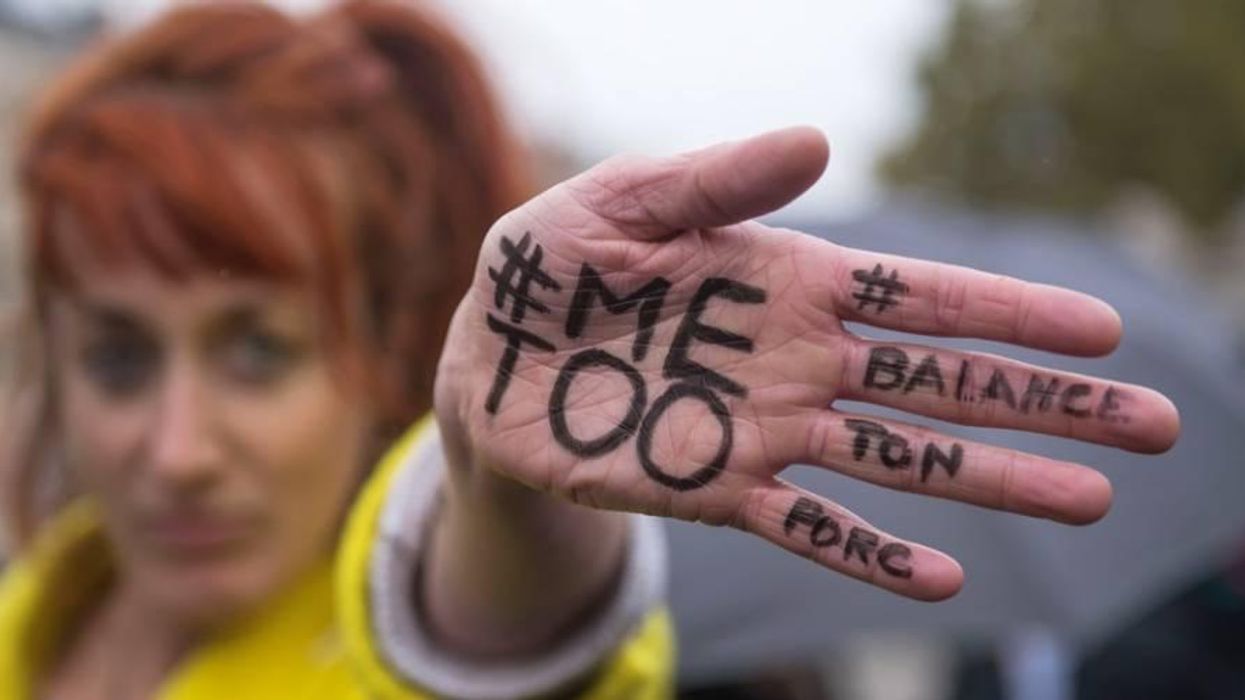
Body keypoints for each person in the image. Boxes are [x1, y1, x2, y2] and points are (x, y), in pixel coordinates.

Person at [0, 1, 1180, 699]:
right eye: (119, 359)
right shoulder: (39, 609)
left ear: (380, 349)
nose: (178, 449)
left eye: (258, 350)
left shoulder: (406, 634)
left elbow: (495, 639)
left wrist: (507, 487)